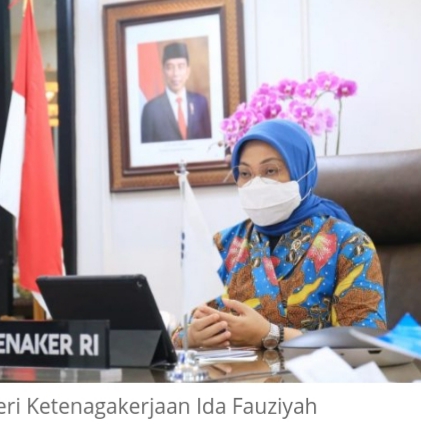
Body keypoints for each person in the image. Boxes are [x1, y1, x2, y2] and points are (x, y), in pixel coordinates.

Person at [173, 119, 387, 350]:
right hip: (232, 372)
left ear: (301, 171)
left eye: (270, 171)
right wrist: (190, 337)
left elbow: (365, 342)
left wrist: (271, 335)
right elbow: (186, 325)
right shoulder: (223, 244)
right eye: (245, 173)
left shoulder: (350, 244)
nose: (256, 184)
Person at [141, 42, 212, 143]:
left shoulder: (200, 102)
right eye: (170, 67)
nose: (175, 73)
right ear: (163, 71)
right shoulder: (151, 109)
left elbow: (209, 143)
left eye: (181, 66)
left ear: (188, 71)